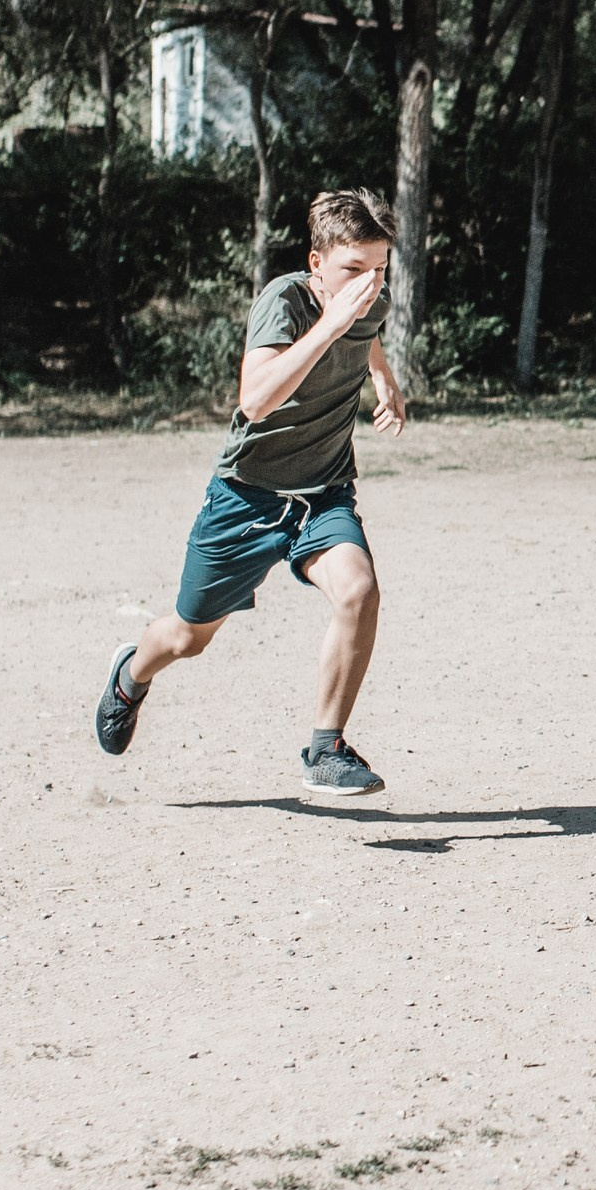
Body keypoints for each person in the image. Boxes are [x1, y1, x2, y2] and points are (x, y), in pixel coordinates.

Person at [94, 187, 407, 797]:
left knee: (359, 590)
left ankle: (327, 748)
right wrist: (331, 325)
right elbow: (255, 399)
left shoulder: (369, 293)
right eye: (352, 271)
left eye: (378, 271)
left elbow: (366, 328)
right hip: (246, 498)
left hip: (322, 492)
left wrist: (382, 375)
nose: (368, 285)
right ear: (316, 262)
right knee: (187, 637)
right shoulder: (283, 302)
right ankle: (130, 675)